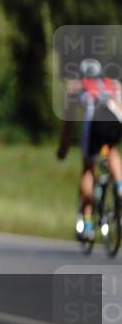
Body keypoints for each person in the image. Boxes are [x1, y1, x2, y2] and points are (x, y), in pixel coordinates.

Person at [57, 58, 122, 241]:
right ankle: (120, 186)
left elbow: (68, 124)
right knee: (112, 149)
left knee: (88, 168)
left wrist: (64, 148)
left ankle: (87, 225)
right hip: (116, 121)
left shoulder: (75, 87)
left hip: (94, 121)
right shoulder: (113, 84)